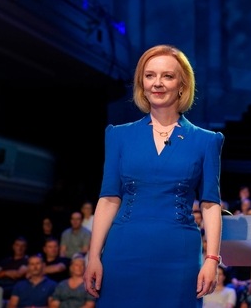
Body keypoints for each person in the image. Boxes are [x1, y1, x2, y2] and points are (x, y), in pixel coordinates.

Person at [83, 44, 224, 307]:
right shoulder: (118, 135)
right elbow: (109, 199)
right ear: (141, 83)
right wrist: (93, 256)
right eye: (150, 76)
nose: (157, 83)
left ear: (182, 84)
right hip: (123, 250)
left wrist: (211, 259)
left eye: (167, 76)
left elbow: (210, 203)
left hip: (178, 252)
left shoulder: (206, 141)